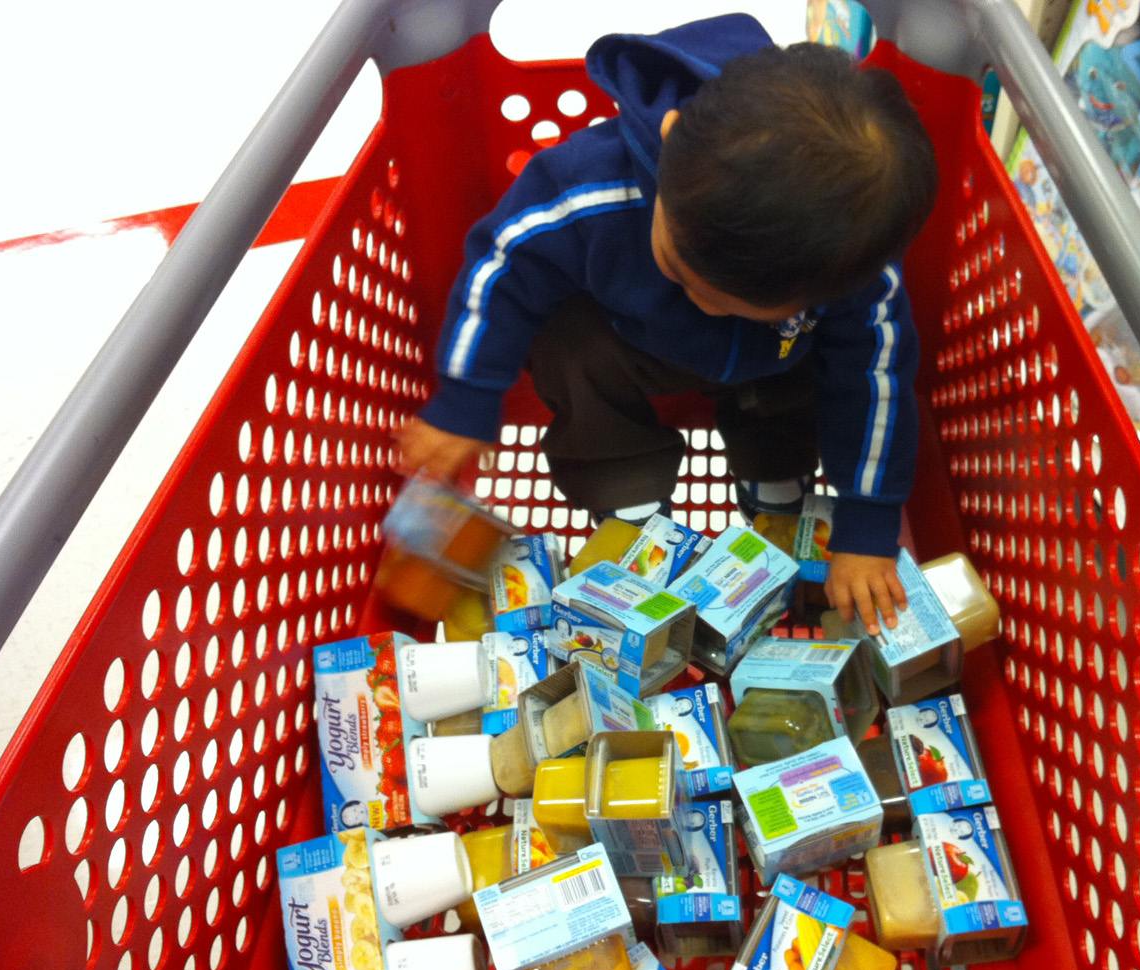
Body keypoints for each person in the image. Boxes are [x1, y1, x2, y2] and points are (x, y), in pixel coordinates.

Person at [398, 14, 938, 635]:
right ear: (671, 136)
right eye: (681, 271)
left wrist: (868, 522)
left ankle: (771, 464)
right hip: (631, 339)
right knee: (569, 345)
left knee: (828, 366)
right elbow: (502, 262)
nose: (707, 305)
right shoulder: (593, 187)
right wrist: (466, 398)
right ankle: (624, 482)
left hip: (774, 359)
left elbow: (875, 379)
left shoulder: (853, 270)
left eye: (736, 302)